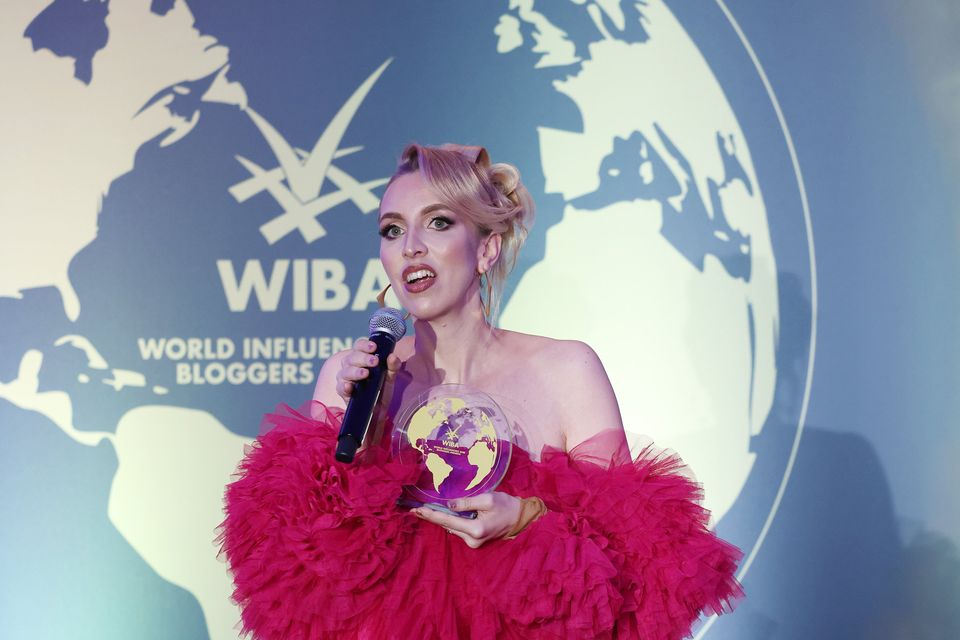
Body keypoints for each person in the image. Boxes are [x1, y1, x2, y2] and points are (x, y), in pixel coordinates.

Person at [220, 143, 743, 639]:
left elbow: (635, 568)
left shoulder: (565, 369)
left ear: (487, 249)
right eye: (392, 229)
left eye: (439, 223)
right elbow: (296, 577)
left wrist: (524, 518)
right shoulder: (354, 376)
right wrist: (369, 430)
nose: (411, 247)